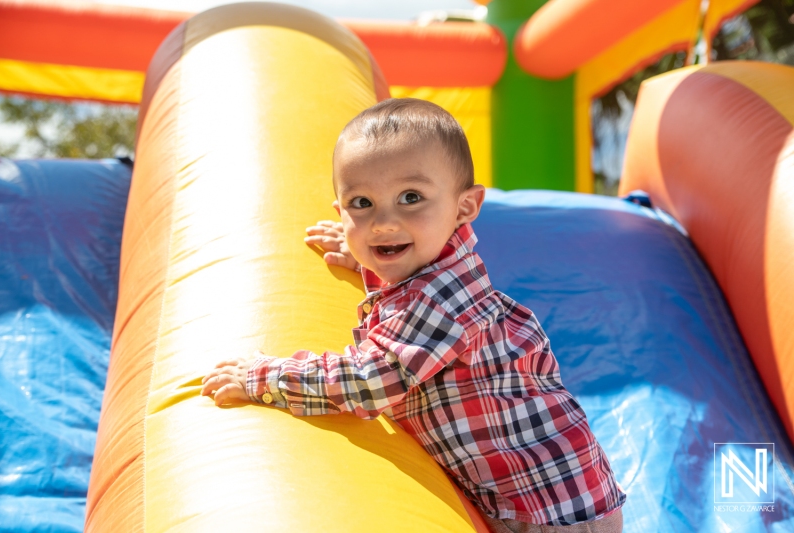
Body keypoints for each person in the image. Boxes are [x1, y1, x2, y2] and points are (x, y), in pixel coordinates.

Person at [201, 98, 626, 532]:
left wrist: (265, 378)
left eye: (410, 198)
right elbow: (403, 290)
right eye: (361, 203)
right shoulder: (430, 270)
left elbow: (369, 380)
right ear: (339, 209)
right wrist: (367, 258)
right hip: (546, 497)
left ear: (465, 207)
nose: (383, 223)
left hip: (550, 513)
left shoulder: (441, 299)